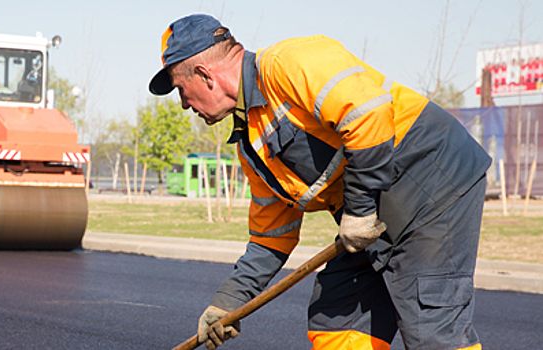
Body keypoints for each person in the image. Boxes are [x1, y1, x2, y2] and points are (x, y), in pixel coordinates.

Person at [149, 14, 489, 350]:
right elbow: (272, 236)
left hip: (431, 181)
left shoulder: (287, 63)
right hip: (371, 217)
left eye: (181, 89)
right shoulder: (250, 143)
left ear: (205, 75)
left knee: (432, 326)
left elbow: (368, 115)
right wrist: (228, 302)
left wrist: (358, 211)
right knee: (337, 320)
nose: (183, 104)